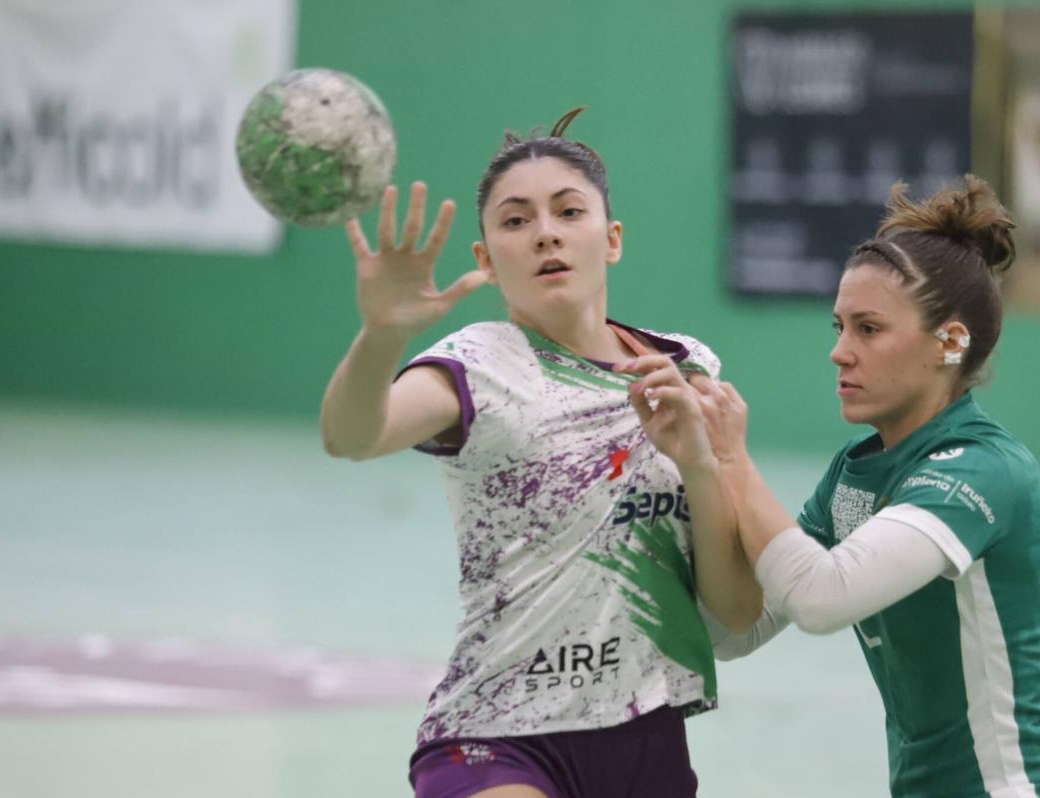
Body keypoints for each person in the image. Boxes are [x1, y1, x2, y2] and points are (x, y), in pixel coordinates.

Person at [619, 176, 1040, 797]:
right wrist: (701, 468)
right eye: (839, 327)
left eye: (869, 329)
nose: (840, 352)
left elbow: (822, 598)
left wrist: (732, 458)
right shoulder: (857, 471)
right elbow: (736, 628)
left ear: (950, 341)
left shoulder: (982, 469)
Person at [320, 107, 760, 798]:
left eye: (568, 211)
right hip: (495, 738)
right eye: (516, 220)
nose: (546, 233)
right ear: (486, 259)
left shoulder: (681, 367)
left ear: (610, 239)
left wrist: (702, 463)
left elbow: (735, 607)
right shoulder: (475, 367)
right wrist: (381, 335)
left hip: (646, 734)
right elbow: (351, 436)